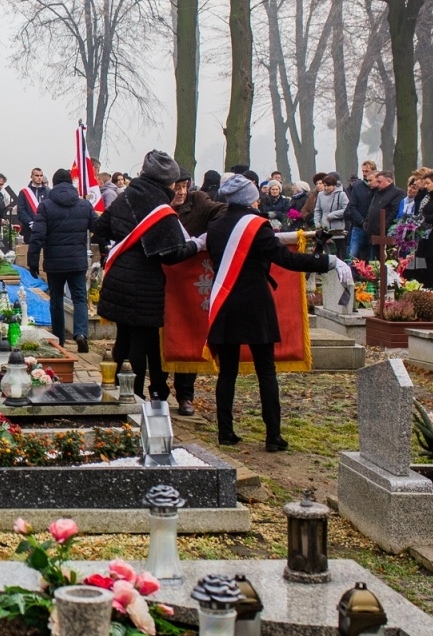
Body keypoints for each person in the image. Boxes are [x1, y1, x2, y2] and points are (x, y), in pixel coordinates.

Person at [206, 174, 347, 450]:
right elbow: (285, 258)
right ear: (249, 199)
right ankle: (273, 436)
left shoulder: (216, 226)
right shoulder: (257, 226)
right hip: (256, 303)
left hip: (225, 302)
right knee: (265, 371)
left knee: (227, 372)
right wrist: (326, 261)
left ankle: (225, 432)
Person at [93, 150, 204, 404]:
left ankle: (112, 388)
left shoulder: (126, 195)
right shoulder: (160, 209)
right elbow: (172, 254)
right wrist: (196, 245)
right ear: (167, 181)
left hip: (119, 277)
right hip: (144, 284)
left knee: (123, 338)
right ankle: (133, 397)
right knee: (140, 344)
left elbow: (101, 227)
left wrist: (126, 236)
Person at [167, 176, 223, 416]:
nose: (181, 192)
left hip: (190, 282)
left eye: (184, 187)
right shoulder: (158, 203)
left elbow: (222, 212)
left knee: (187, 337)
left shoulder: (199, 200)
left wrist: (208, 237)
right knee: (162, 339)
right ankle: (158, 391)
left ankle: (185, 396)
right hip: (163, 280)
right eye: (176, 187)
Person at [35, 168, 99, 353]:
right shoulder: (84, 205)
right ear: (71, 183)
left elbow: (38, 235)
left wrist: (32, 261)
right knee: (79, 298)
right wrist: (103, 251)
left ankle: (59, 339)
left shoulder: (45, 206)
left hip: (54, 262)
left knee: (56, 298)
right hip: (77, 260)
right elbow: (98, 228)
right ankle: (81, 333)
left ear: (54, 184)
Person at [15, 168, 49, 269]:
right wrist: (30, 222)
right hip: (29, 230)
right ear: (31, 176)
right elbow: (21, 211)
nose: (39, 178)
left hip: (45, 230)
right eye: (36, 175)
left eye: (41, 176)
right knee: (31, 255)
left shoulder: (48, 192)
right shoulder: (24, 192)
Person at [365, 170, 405, 255]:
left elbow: (394, 211)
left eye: (380, 182)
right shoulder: (378, 192)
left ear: (389, 181)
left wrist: (384, 226)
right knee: (374, 259)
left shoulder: (397, 193)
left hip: (385, 232)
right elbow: (371, 208)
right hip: (373, 232)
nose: (377, 184)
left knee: (386, 257)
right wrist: (367, 222)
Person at [345, 160, 377, 259]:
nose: (364, 174)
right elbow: (352, 206)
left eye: (367, 171)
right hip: (358, 226)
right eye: (363, 171)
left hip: (373, 228)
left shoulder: (377, 188)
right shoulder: (357, 186)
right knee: (353, 255)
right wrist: (361, 221)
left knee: (372, 256)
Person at [313, 173, 349, 254]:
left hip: (338, 231)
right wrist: (317, 224)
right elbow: (317, 210)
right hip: (325, 231)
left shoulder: (341, 194)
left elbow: (347, 209)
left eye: (328, 186)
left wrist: (333, 215)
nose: (326, 188)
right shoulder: (320, 195)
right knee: (326, 254)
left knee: (340, 254)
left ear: (334, 185)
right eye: (325, 185)